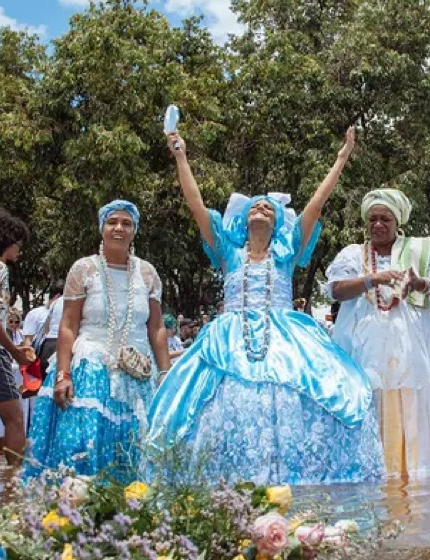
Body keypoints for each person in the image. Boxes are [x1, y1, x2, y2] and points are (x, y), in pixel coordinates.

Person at [148, 127, 384, 485]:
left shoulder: (287, 252)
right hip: (229, 338)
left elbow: (315, 205)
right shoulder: (229, 252)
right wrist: (181, 156)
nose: (261, 208)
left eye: (268, 208)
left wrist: (341, 158)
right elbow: (195, 204)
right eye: (255, 205)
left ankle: (297, 478)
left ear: (276, 225)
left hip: (286, 338)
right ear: (242, 222)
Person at [326, 188, 430, 479]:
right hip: (365, 345)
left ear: (398, 221)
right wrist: (372, 279)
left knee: (415, 397)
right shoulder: (353, 254)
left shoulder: (418, 249)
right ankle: (374, 471)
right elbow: (336, 290)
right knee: (372, 395)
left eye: (385, 219)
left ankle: (417, 476)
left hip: (416, 346)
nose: (378, 225)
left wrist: (420, 284)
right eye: (373, 219)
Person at [25, 200, 171, 482]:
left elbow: (156, 327)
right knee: (83, 443)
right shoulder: (83, 269)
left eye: (126, 223)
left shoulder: (148, 273)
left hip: (138, 370)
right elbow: (68, 325)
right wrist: (63, 374)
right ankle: (80, 511)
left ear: (135, 230)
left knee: (138, 445)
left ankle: (134, 510)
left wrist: (164, 373)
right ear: (102, 228)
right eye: (112, 222)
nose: (119, 228)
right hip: (89, 366)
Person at [0, 210, 35, 466]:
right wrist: (13, 350)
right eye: (18, 245)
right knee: (14, 417)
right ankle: (14, 480)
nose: (19, 251)